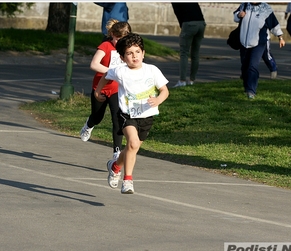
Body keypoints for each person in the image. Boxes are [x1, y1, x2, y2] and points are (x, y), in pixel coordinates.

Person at [94, 33, 169, 194]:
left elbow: (164, 91)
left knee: (132, 148)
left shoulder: (152, 70)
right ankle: (127, 180)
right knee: (133, 143)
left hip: (146, 115)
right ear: (122, 57)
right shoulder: (119, 71)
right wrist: (97, 92)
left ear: (143, 53)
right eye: (129, 53)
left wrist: (158, 101)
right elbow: (105, 78)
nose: (134, 56)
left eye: (137, 52)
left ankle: (115, 166)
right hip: (127, 114)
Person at [79, 20, 132, 160]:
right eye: (118, 39)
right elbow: (94, 64)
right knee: (97, 117)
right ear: (112, 34)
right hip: (101, 87)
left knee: (117, 119)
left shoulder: (128, 49)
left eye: (123, 39)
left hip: (116, 89)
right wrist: (111, 72)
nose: (120, 42)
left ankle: (116, 152)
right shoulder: (105, 46)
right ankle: (89, 125)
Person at [234, 2, 285, 99]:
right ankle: (246, 86)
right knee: (245, 66)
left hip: (259, 43)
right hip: (244, 42)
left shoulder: (266, 8)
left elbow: (274, 24)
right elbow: (235, 17)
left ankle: (251, 91)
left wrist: (280, 37)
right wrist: (239, 15)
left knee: (253, 65)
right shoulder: (244, 5)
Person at [171, 3, 206, 87]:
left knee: (184, 53)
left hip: (189, 23)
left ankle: (182, 81)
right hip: (201, 23)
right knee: (195, 53)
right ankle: (191, 80)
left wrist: (183, 27)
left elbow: (178, 13)